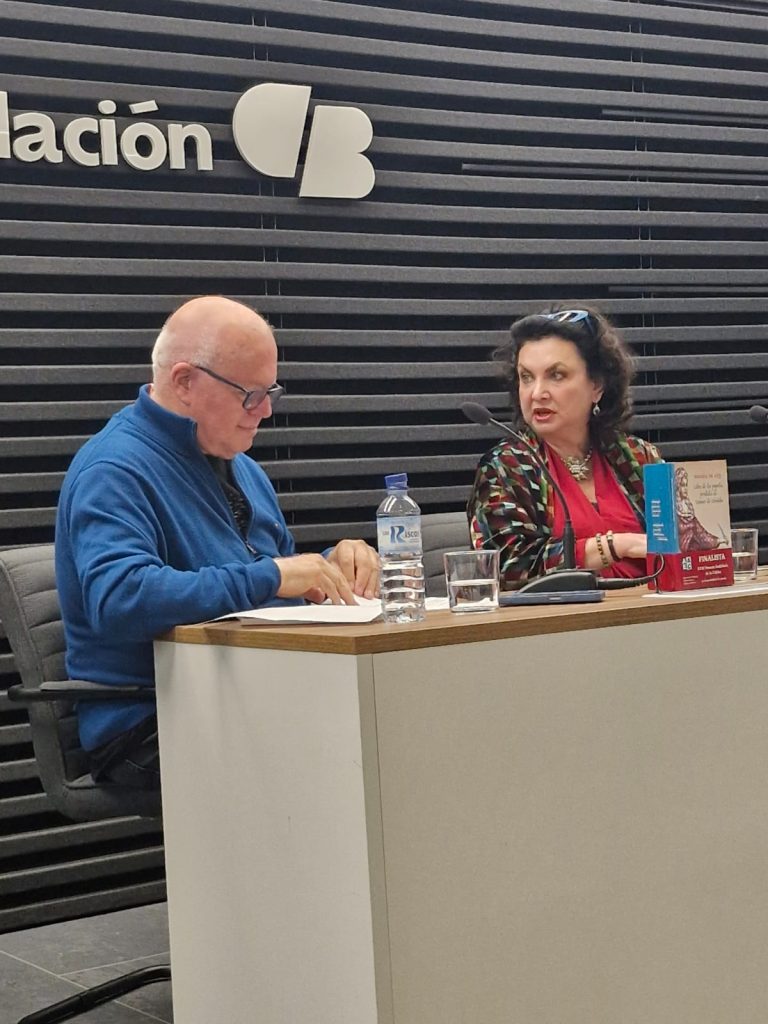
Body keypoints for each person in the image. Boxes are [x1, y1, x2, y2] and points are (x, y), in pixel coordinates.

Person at [55, 296, 379, 789]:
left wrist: (332, 570)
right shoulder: (113, 470)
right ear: (185, 381)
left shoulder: (240, 466)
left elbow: (270, 585)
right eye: (250, 395)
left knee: (388, 724)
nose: (265, 411)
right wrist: (272, 575)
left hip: (247, 698)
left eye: (271, 392)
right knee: (360, 758)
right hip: (151, 722)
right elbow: (120, 598)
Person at [467, 306, 662, 589]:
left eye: (556, 375)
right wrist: (616, 545)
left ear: (597, 385)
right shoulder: (506, 468)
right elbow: (506, 568)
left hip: (655, 611)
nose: (537, 393)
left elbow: (688, 547)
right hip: (561, 617)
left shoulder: (638, 458)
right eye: (526, 377)